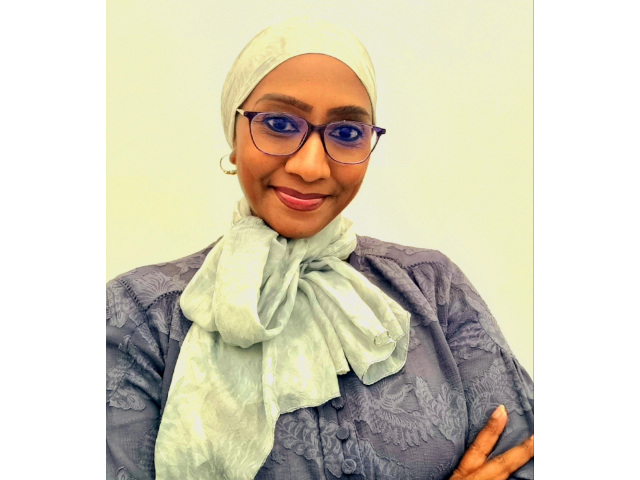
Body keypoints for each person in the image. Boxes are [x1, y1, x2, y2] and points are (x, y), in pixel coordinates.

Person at [106, 16, 533, 480]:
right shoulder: (138, 316)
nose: (310, 167)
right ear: (235, 134)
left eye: (347, 133)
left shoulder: (433, 288)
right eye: (278, 124)